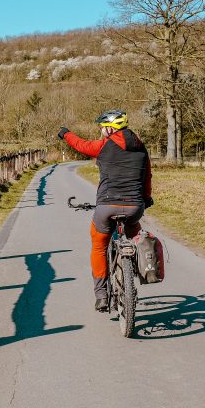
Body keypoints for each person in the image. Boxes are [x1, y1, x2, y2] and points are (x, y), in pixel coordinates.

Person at [58, 110, 152, 312]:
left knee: (99, 244)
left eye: (102, 128)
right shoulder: (141, 147)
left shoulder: (104, 145)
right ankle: (134, 268)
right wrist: (146, 198)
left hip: (107, 205)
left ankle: (101, 295)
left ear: (111, 128)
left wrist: (66, 133)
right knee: (135, 231)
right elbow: (147, 177)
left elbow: (81, 145)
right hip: (135, 206)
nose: (101, 131)